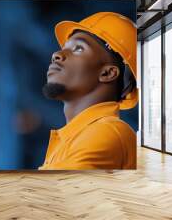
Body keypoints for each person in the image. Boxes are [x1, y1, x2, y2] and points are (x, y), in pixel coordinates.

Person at [39, 12, 138, 170]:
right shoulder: (77, 137)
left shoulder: (107, 132)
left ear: (108, 73)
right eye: (64, 48)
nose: (56, 55)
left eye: (78, 49)